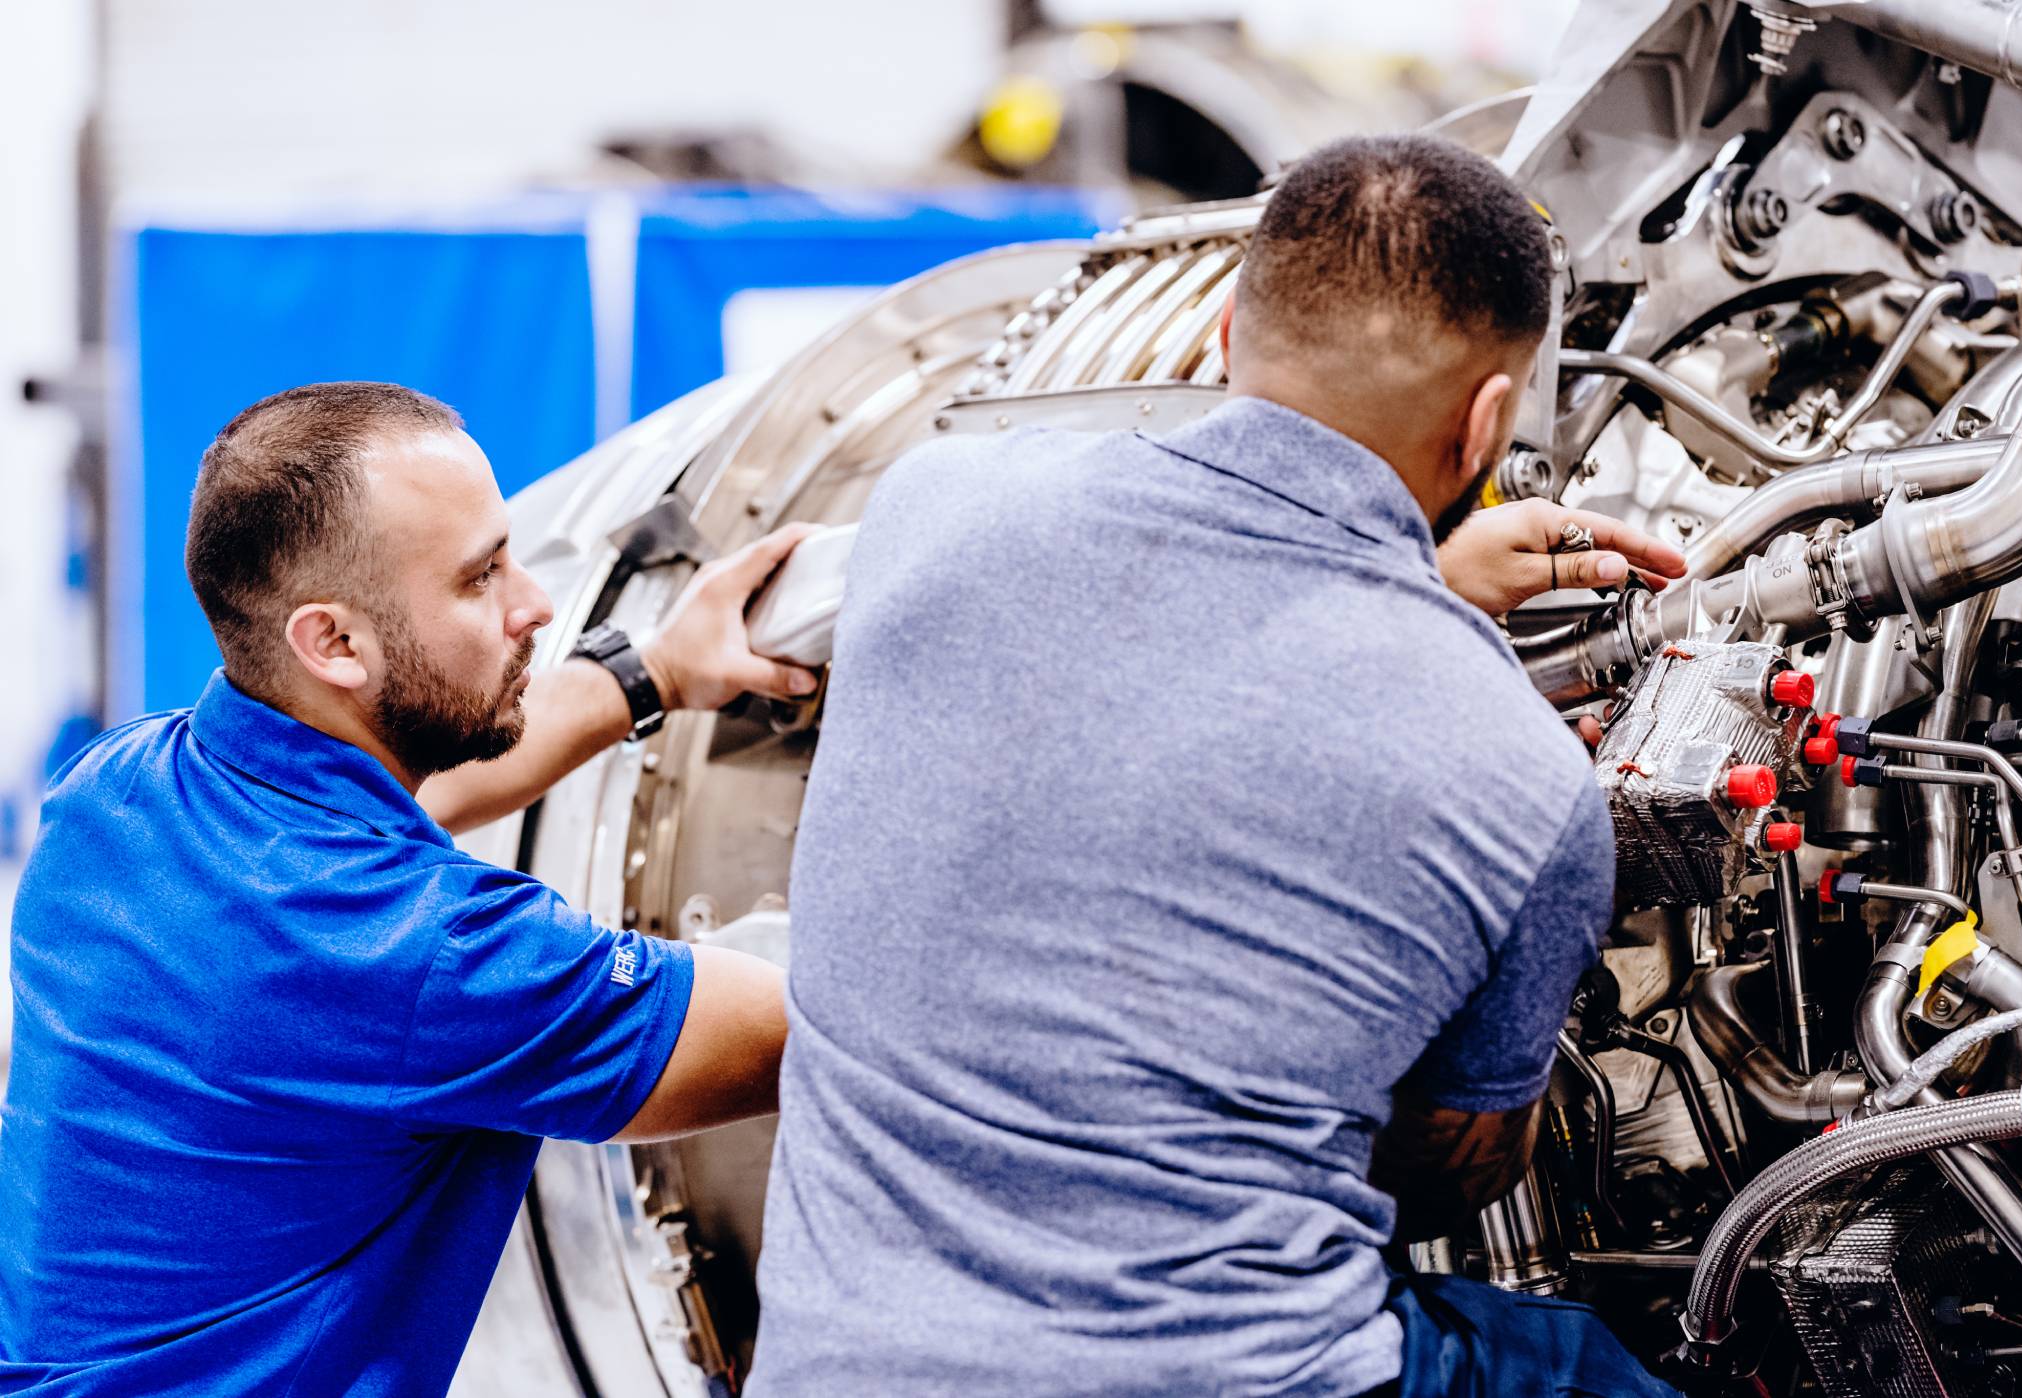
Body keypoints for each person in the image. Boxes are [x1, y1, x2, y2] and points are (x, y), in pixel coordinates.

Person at [746, 135, 1686, 1397]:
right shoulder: (1518, 771)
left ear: (1228, 328)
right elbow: (1438, 1174)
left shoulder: (929, 507)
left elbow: (1154, 662)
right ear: (1488, 422)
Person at [0, 382, 817, 1396]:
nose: (537, 603)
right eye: (479, 581)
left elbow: (397, 802)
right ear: (332, 643)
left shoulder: (114, 797)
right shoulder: (419, 957)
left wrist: (652, 669)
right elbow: (825, 1027)